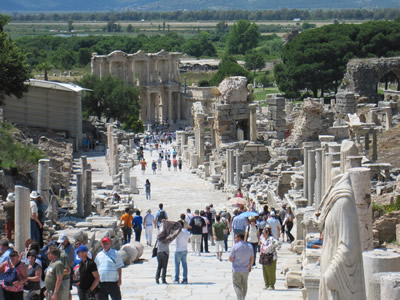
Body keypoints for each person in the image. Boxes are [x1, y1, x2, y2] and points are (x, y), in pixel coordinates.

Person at [229, 233, 254, 300]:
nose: (235, 239)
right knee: (244, 285)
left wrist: (233, 260)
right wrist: (250, 266)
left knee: (237, 286)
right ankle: (243, 298)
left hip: (236, 269)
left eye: (235, 238)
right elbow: (252, 258)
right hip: (245, 269)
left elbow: (230, 258)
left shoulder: (235, 246)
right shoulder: (249, 246)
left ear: (239, 238)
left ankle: (240, 298)